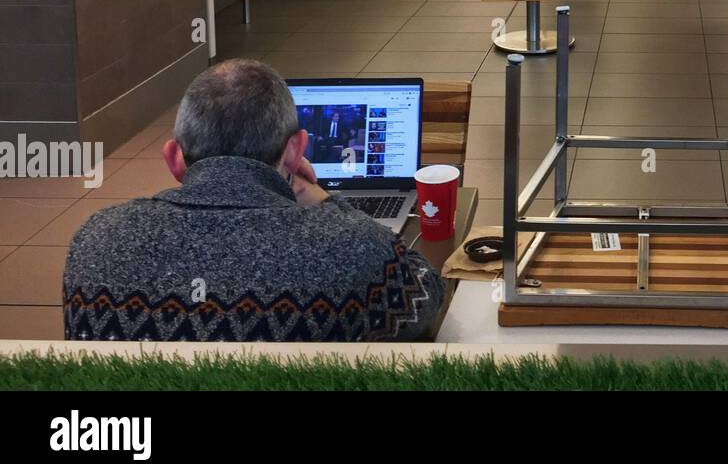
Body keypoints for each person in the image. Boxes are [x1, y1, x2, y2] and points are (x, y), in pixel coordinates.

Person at [63, 59, 443, 342]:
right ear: (296, 153)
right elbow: (426, 292)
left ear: (174, 158)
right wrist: (324, 201)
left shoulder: (95, 242)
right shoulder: (355, 249)